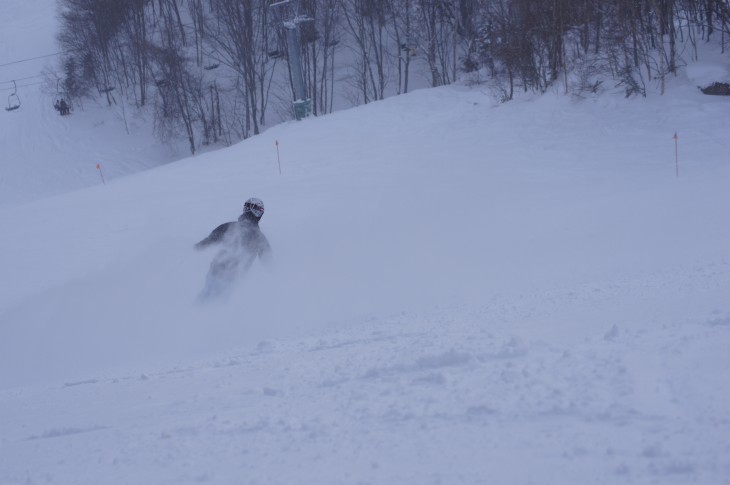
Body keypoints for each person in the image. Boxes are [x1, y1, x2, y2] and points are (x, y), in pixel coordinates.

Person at [195, 197, 271, 298]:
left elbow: (204, 244)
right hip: (235, 280)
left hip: (215, 273)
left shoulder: (227, 227)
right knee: (217, 306)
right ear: (259, 213)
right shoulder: (259, 237)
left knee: (205, 300)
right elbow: (270, 263)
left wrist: (186, 249)